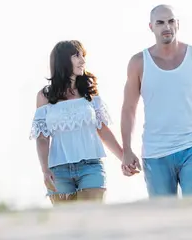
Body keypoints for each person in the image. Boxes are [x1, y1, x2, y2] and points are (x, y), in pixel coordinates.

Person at [120, 4, 192, 198]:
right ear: (151, 27)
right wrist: (127, 149)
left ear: (178, 24)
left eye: (171, 21)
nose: (166, 27)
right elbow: (129, 109)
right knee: (163, 218)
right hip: (155, 153)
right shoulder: (138, 63)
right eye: (160, 23)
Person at [30, 40, 133, 205]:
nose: (82, 60)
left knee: (92, 220)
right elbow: (42, 138)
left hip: (91, 167)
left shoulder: (89, 92)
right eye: (76, 55)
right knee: (66, 225)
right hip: (58, 171)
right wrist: (45, 169)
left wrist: (123, 157)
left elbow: (102, 130)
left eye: (83, 56)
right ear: (63, 60)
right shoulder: (45, 96)